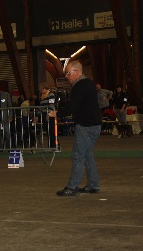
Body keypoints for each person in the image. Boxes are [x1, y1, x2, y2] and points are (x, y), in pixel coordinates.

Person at [48, 61, 102, 196]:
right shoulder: (90, 84)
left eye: (68, 73)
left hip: (85, 126)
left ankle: (72, 187)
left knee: (78, 156)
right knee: (88, 155)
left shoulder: (79, 86)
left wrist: (57, 114)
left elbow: (73, 106)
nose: (66, 76)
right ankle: (93, 185)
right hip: (95, 125)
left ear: (77, 72)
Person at [38, 82, 56, 148]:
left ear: (45, 88)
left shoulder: (51, 95)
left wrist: (49, 114)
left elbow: (51, 105)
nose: (40, 91)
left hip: (49, 114)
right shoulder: (42, 97)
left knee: (51, 131)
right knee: (48, 131)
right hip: (43, 114)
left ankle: (53, 146)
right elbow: (41, 107)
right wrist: (38, 115)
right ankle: (51, 146)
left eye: (41, 90)